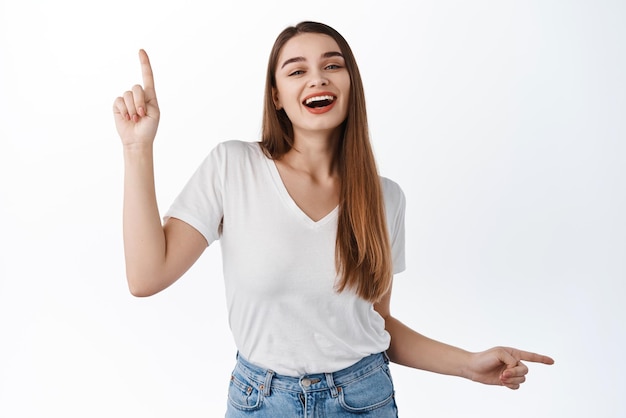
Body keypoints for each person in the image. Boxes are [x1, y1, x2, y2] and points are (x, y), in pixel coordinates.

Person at [113, 21, 554, 417]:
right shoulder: (233, 167)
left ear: (350, 84)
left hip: (364, 399)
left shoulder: (385, 198)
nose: (317, 77)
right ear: (277, 95)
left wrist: (469, 364)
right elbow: (146, 276)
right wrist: (137, 149)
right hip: (261, 402)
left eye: (332, 65)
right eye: (296, 70)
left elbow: (374, 326)